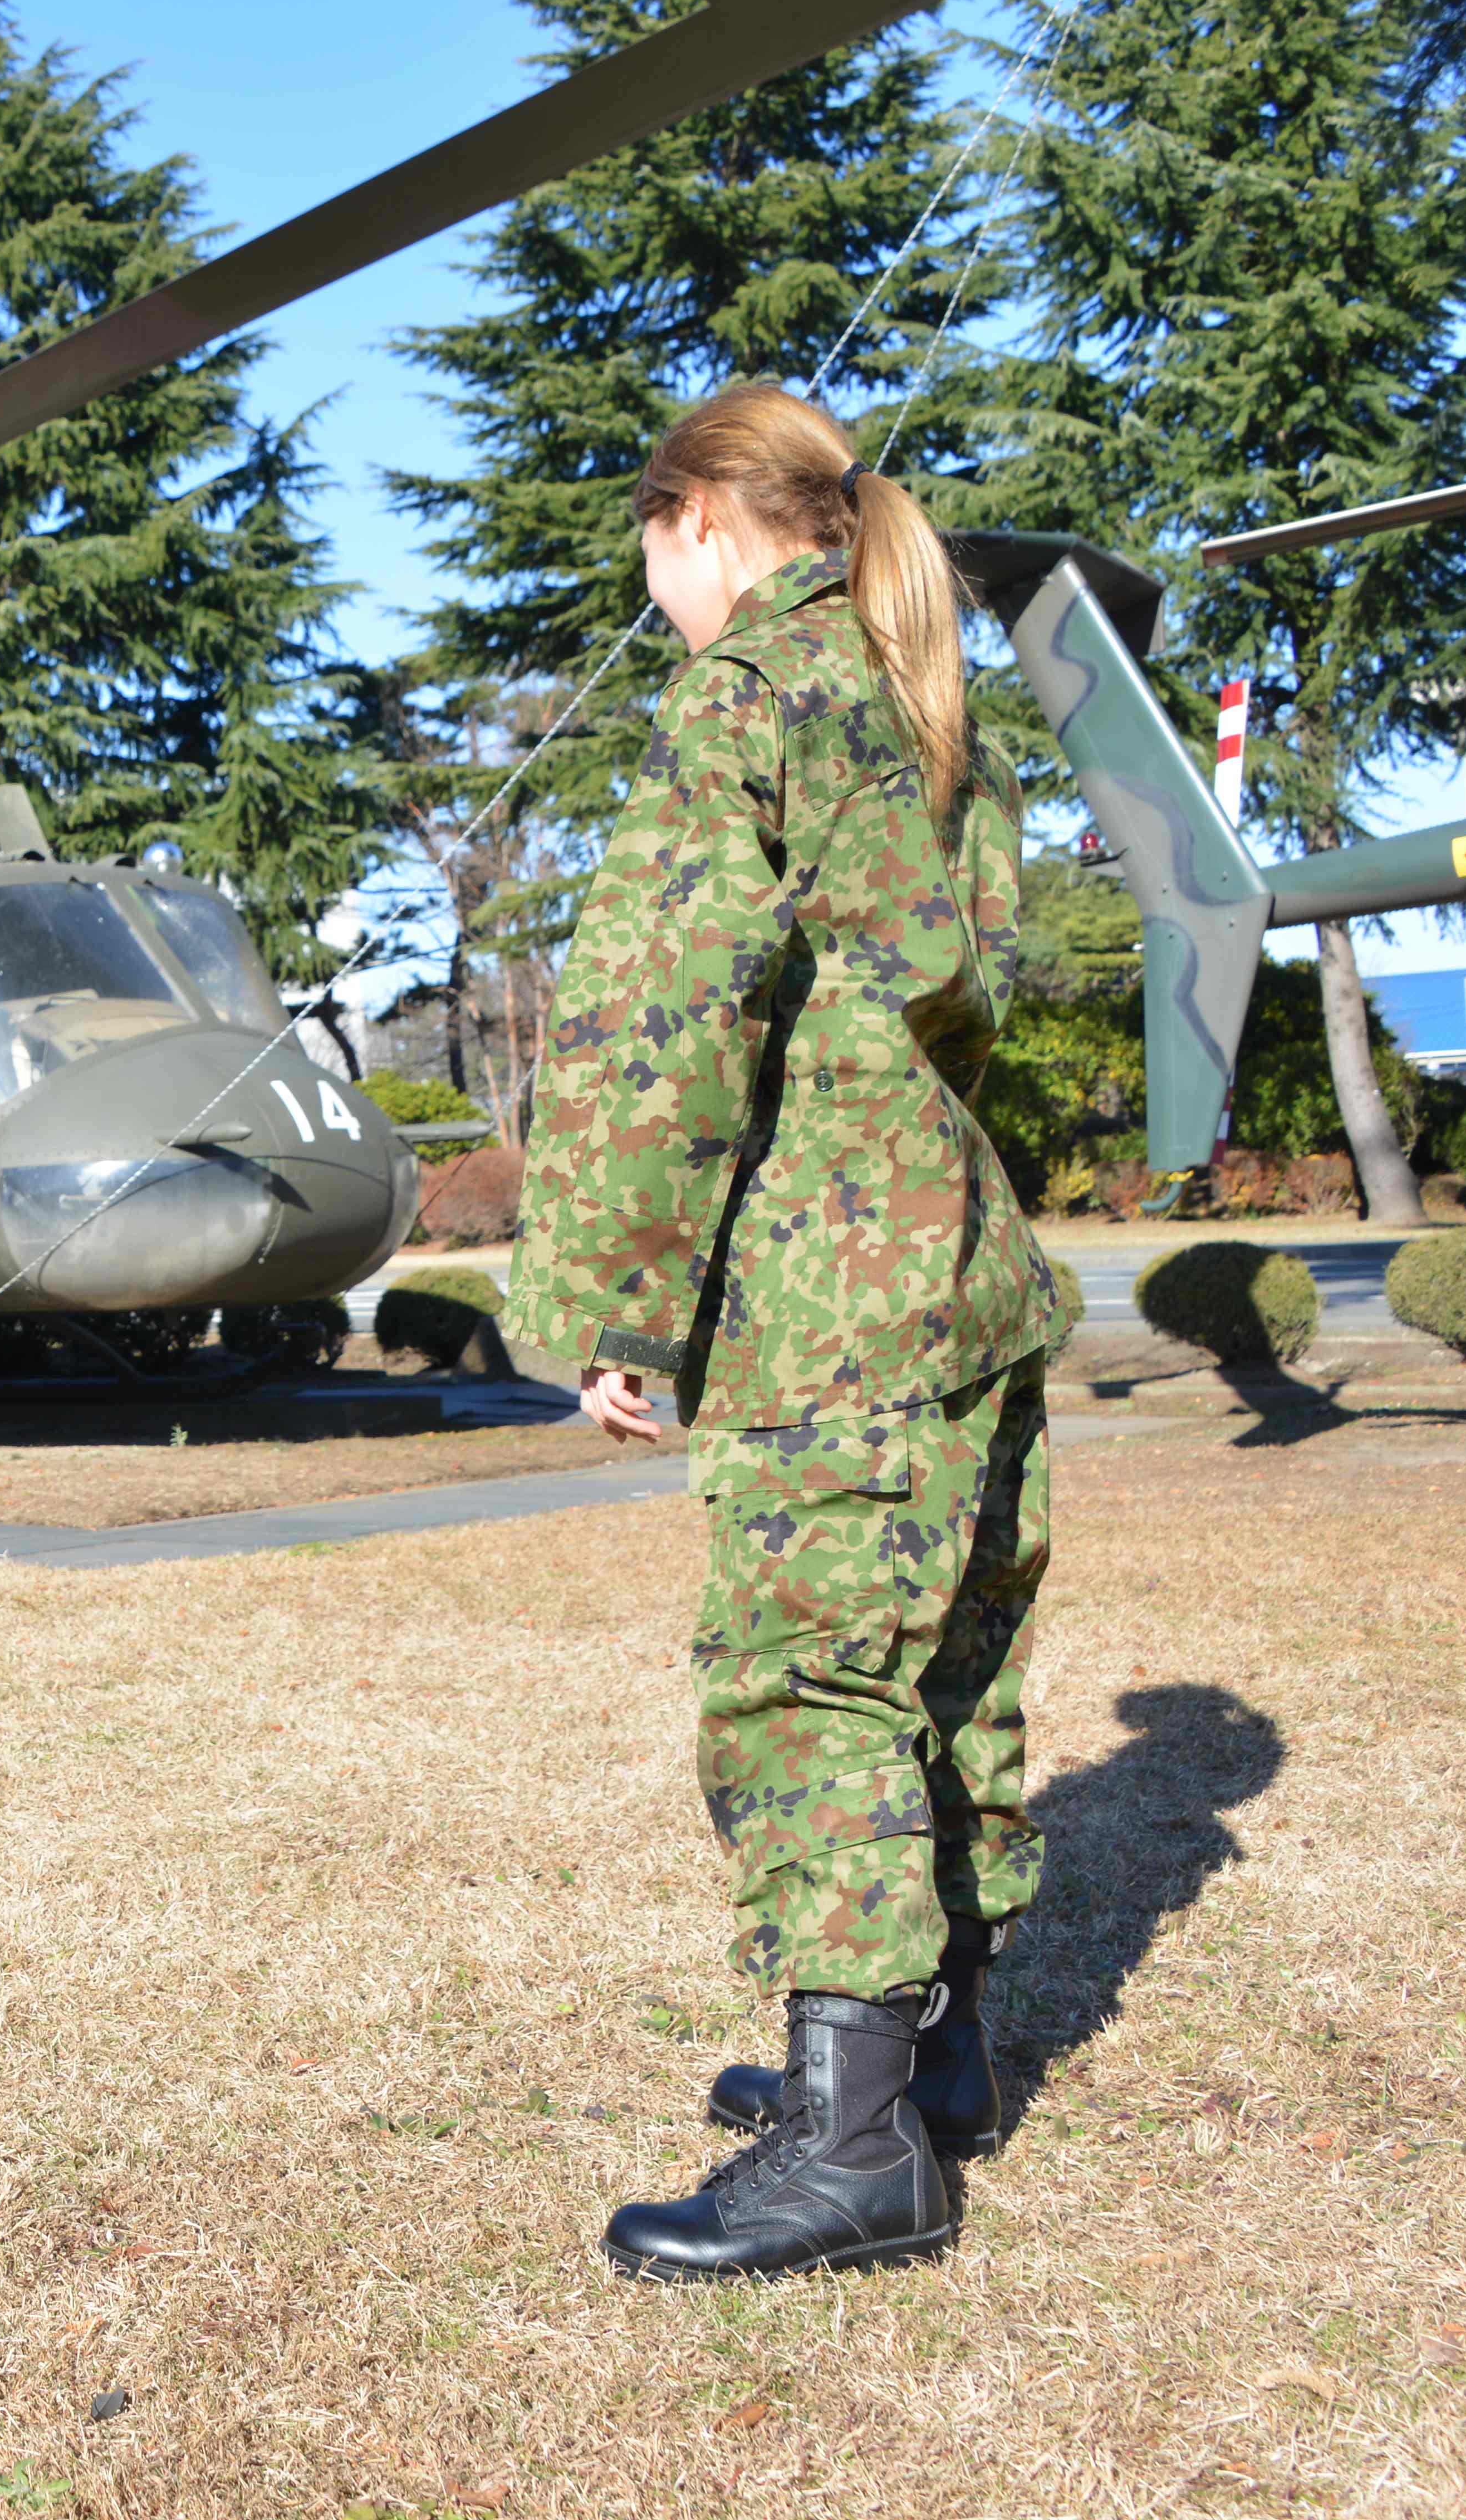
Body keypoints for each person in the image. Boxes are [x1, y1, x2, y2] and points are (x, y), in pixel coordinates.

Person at [503, 381, 1077, 2284]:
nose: (659, 605)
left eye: (651, 565)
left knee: (809, 1683)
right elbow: (970, 999)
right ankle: (939, 2067)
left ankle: (854, 2152)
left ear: (698, 526)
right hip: (960, 1259)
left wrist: (616, 1306)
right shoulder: (929, 699)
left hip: (833, 1294)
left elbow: (665, 1019)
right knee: (946, 1678)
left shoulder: (747, 692)